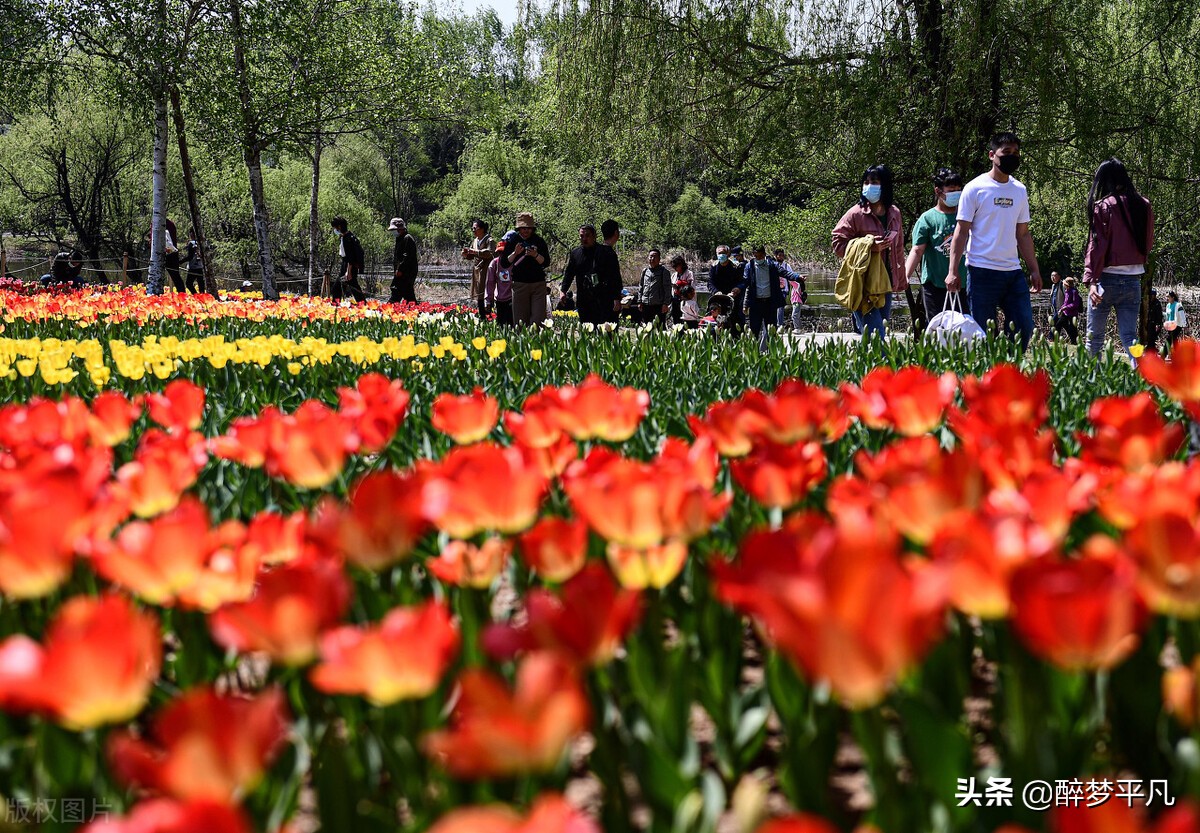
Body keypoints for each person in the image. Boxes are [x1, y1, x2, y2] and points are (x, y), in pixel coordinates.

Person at [947, 132, 1043, 350]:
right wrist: (953, 271)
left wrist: (1034, 269)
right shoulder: (975, 188)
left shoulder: (1019, 190)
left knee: (1023, 327)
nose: (1012, 156)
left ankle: (1008, 370)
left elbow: (1024, 234)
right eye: (1006, 152)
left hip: (1013, 273)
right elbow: (961, 232)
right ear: (992, 155)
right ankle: (985, 377)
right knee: (983, 335)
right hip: (982, 272)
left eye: (1016, 152)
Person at [1082, 158, 1155, 362]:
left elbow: (1096, 246)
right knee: (1131, 337)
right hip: (1133, 281)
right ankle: (1143, 376)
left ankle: (1090, 385)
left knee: (1094, 339)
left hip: (1105, 280)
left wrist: (1091, 281)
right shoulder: (1144, 205)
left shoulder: (1103, 206)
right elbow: (1148, 243)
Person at [832, 164, 906, 338]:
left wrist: (901, 281)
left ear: (885, 185)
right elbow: (837, 242)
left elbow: (899, 248)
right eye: (866, 182)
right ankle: (880, 365)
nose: (869, 186)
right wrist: (867, 247)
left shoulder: (894, 213)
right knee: (876, 336)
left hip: (885, 284)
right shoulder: (855, 214)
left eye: (874, 181)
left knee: (875, 336)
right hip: (862, 284)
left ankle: (866, 366)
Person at [905, 167, 968, 326]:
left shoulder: (966, 215)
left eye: (958, 190)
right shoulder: (927, 219)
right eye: (951, 190)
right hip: (935, 286)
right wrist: (905, 276)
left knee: (965, 332)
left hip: (965, 285)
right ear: (938, 191)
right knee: (938, 330)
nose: (956, 193)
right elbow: (917, 250)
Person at [562, 224, 622, 325]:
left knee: (606, 334)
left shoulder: (606, 252)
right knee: (588, 333)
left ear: (595, 236)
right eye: (582, 236)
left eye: (587, 235)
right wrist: (563, 290)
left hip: (604, 300)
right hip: (584, 300)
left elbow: (615, 276)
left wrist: (616, 298)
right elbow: (569, 273)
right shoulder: (575, 253)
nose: (584, 239)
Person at [499, 212, 551, 326]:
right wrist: (515, 253)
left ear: (532, 228)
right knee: (520, 322)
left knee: (538, 321)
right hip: (519, 284)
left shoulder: (539, 241)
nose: (526, 231)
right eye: (523, 228)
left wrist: (535, 255)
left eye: (528, 228)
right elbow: (504, 263)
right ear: (518, 228)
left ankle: (537, 342)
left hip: (538, 284)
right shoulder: (513, 241)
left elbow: (546, 262)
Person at [744, 245, 785, 351]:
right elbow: (745, 283)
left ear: (764, 255)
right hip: (756, 303)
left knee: (771, 331)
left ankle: (771, 353)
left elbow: (785, 273)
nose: (757, 258)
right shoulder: (750, 266)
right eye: (755, 256)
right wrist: (745, 303)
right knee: (754, 331)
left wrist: (797, 277)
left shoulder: (772, 265)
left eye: (759, 256)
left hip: (769, 303)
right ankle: (753, 354)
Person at [708, 245, 746, 331]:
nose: (721, 255)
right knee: (718, 325)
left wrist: (737, 289)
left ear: (728, 254)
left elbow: (743, 281)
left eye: (723, 253)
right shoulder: (714, 266)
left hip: (734, 298)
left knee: (736, 325)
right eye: (719, 253)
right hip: (718, 298)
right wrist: (716, 292)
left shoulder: (736, 266)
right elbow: (710, 282)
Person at [330, 217, 367, 303]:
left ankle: (363, 305)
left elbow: (350, 257)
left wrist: (348, 271)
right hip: (347, 265)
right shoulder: (347, 236)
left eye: (335, 228)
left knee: (340, 288)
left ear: (339, 227)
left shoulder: (348, 239)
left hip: (349, 266)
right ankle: (363, 304)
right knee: (346, 287)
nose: (335, 230)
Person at [461, 218, 494, 315]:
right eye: (472, 229)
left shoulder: (489, 240)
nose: (473, 231)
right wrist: (466, 254)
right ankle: (481, 316)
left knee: (487, 293)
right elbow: (471, 256)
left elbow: (490, 253)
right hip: (477, 271)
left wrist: (474, 252)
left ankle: (489, 315)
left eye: (475, 228)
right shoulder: (475, 241)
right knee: (478, 295)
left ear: (482, 229)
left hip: (487, 271)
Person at [772, 248, 806, 328]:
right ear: (775, 256)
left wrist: (799, 279)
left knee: (780, 307)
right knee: (773, 308)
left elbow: (791, 276)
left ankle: (779, 325)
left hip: (784, 290)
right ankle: (773, 325)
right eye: (779, 255)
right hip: (774, 289)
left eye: (782, 255)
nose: (781, 257)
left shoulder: (787, 266)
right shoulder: (772, 265)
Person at [484, 240, 514, 327]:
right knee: (501, 325)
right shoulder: (494, 263)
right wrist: (488, 301)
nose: (502, 255)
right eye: (500, 252)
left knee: (512, 325)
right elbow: (490, 283)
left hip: (513, 299)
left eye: (504, 252)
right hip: (500, 299)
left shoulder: (514, 263)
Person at [389, 217, 419, 304]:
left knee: (396, 294)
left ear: (400, 228)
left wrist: (400, 269)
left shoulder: (407, 238)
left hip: (406, 274)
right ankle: (417, 312)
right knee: (409, 297)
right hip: (402, 274)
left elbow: (407, 257)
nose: (393, 232)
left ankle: (387, 311)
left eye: (394, 230)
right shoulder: (400, 239)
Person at [638, 249, 671, 325]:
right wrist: (640, 301)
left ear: (659, 259)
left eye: (655, 257)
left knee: (660, 329)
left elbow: (668, 289)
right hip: (646, 305)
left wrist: (666, 304)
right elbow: (641, 286)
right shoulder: (645, 271)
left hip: (659, 306)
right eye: (650, 257)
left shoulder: (664, 272)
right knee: (647, 328)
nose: (652, 259)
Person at [599, 219, 623, 321]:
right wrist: (616, 298)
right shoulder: (610, 254)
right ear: (616, 233)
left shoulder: (597, 251)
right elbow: (614, 277)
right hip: (609, 299)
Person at [1054, 276, 1083, 344]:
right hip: (1065, 313)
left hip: (1072, 314)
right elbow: (1065, 302)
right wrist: (1061, 309)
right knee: (1058, 325)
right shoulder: (1067, 291)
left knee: (1073, 329)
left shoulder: (1074, 292)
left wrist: (1065, 307)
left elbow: (1075, 304)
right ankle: (1056, 340)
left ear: (1066, 284)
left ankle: (1075, 342)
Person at [669, 255, 693, 324]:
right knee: (676, 319)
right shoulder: (674, 275)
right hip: (675, 300)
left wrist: (679, 287)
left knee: (685, 320)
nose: (675, 268)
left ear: (681, 264)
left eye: (676, 266)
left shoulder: (689, 274)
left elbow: (691, 288)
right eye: (673, 267)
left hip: (685, 301)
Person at [164, 217, 184, 293]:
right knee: (176, 277)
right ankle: (182, 294)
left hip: (169, 254)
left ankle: (182, 295)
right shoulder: (171, 224)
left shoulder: (160, 224)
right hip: (172, 254)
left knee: (175, 277)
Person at [1165, 291, 1186, 357]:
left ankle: (1164, 353)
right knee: (1174, 339)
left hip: (1177, 325)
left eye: (1169, 297)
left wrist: (1184, 324)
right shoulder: (1168, 305)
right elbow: (1167, 315)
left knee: (1169, 339)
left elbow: (1182, 315)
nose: (1167, 298)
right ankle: (1177, 354)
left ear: (1173, 297)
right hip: (1170, 325)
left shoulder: (1178, 305)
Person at [183, 230, 204, 294]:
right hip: (201, 266)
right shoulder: (202, 242)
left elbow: (190, 257)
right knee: (201, 285)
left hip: (193, 267)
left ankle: (196, 296)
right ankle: (202, 298)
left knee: (188, 283)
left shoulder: (191, 243)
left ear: (191, 234)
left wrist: (179, 262)